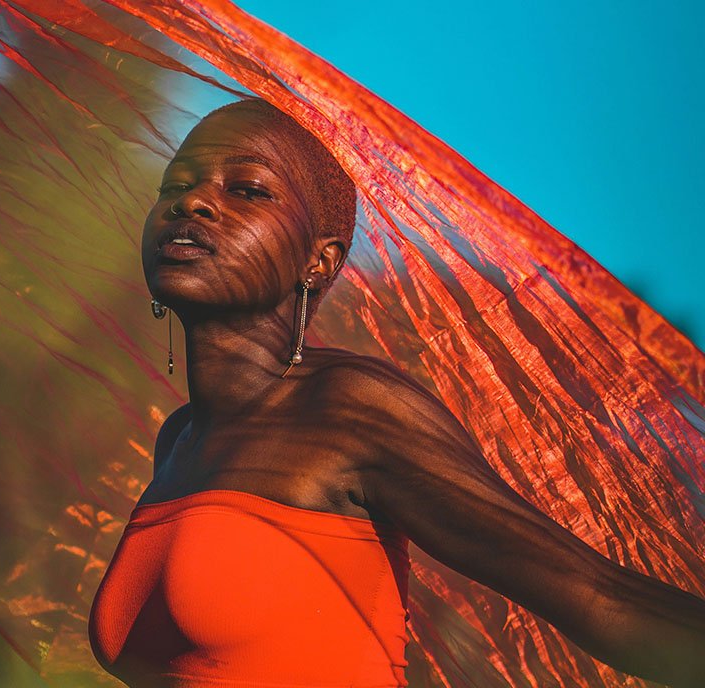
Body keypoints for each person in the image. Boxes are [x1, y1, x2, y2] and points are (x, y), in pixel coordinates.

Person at [87, 98, 705, 688]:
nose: (191, 202)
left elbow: (599, 597)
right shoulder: (180, 437)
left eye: (246, 189)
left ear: (319, 263)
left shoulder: (350, 408)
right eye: (174, 187)